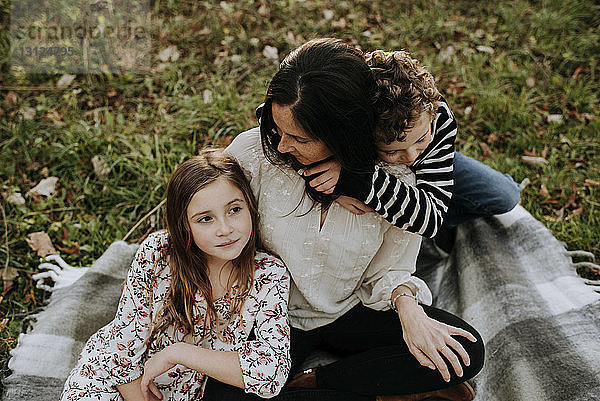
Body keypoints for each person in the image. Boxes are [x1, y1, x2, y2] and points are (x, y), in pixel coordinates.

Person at [218, 38, 484, 401]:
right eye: (280, 130)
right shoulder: (254, 154)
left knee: (466, 352)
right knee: (220, 392)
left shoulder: (397, 183)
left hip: (350, 309)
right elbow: (208, 217)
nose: (281, 145)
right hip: (269, 313)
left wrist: (410, 313)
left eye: (298, 137)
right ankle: (375, 392)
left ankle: (318, 384)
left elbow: (394, 266)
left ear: (340, 135)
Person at [60, 150, 291, 401]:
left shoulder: (269, 275)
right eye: (205, 219)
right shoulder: (158, 253)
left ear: (250, 206)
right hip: (114, 382)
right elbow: (120, 353)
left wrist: (178, 352)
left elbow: (271, 375)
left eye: (234, 209)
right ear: (185, 225)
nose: (225, 229)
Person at [301, 49, 522, 253]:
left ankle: (421, 215)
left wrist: (352, 181)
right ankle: (409, 213)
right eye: (392, 152)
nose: (411, 156)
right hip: (375, 179)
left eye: (421, 139)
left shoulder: (438, 119)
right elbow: (274, 129)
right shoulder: (347, 121)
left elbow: (432, 219)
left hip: (426, 168)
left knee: (506, 195)